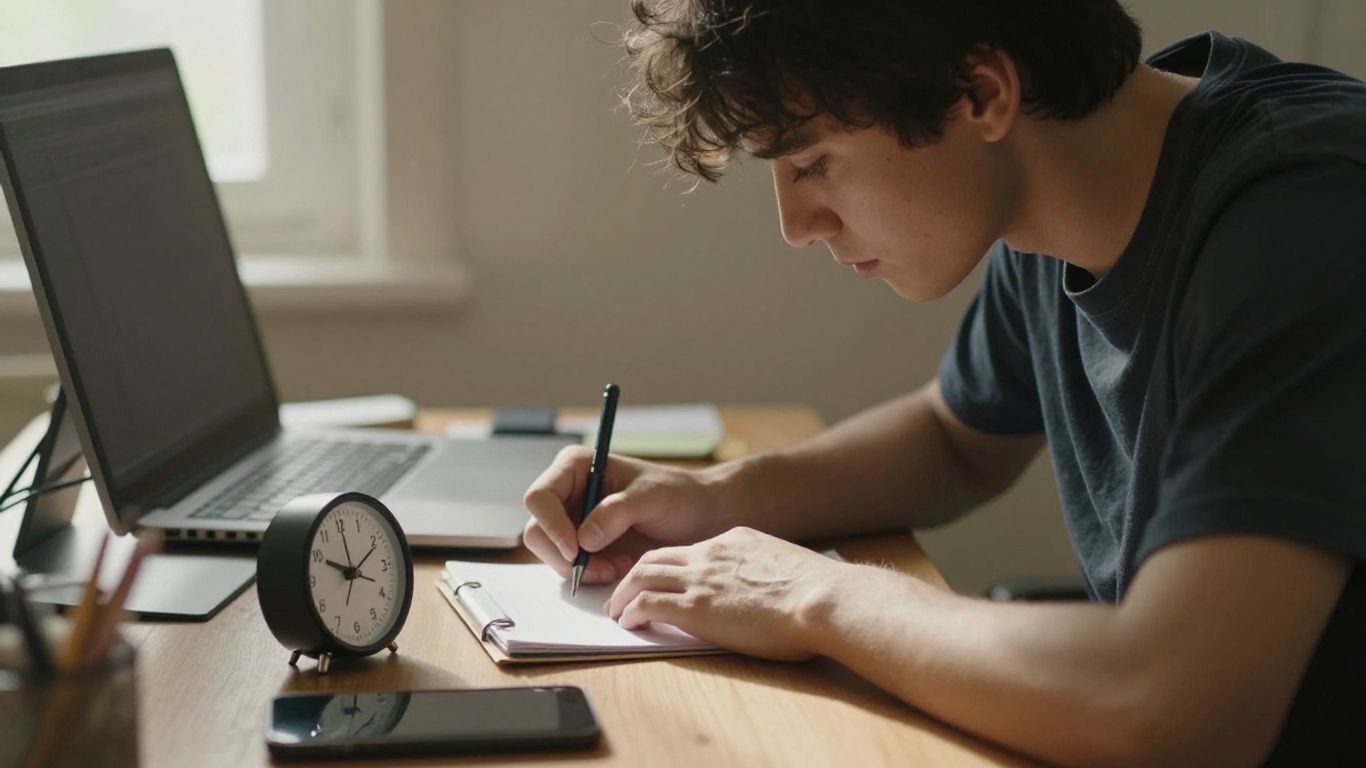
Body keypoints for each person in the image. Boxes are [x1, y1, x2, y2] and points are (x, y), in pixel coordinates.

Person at [522, 2, 1366, 765]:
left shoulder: (1307, 218)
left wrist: (813, 593)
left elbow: (1170, 708)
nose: (796, 225)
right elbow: (956, 440)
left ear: (980, 92)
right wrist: (713, 494)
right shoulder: (1071, 197)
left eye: (813, 162)